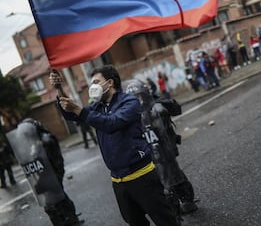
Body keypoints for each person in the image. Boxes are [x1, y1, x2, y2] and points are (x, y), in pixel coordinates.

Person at [49, 65, 180, 226]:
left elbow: (112, 123)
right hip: (119, 182)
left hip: (143, 177)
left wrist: (80, 110)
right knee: (135, 221)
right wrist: (59, 89)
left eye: (96, 82)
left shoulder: (129, 102)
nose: (92, 87)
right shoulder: (97, 107)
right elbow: (71, 114)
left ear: (109, 83)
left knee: (165, 220)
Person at [126, 80, 198, 220]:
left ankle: (179, 208)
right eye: (134, 98)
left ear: (144, 94)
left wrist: (167, 152)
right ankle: (181, 206)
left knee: (170, 182)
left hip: (164, 152)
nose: (137, 100)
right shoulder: (135, 114)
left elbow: (165, 132)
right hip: (153, 153)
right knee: (170, 180)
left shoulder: (157, 109)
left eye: (139, 96)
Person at [19, 118, 83, 225]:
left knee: (53, 204)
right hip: (46, 175)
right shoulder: (36, 141)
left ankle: (69, 221)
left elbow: (53, 160)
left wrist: (55, 177)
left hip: (52, 174)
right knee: (60, 199)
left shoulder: (45, 140)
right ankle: (71, 219)